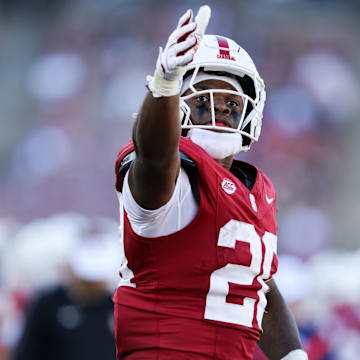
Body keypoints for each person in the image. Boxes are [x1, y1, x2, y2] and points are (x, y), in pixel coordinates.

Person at [113, 5, 308, 360]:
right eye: (202, 101)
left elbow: (256, 281)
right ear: (177, 107)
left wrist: (294, 355)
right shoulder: (169, 176)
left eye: (231, 105)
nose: (219, 113)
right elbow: (155, 158)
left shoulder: (256, 189)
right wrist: (165, 83)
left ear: (250, 113)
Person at [13, 237, 117, 360]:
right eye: (85, 281)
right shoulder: (48, 304)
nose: (91, 285)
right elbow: (27, 352)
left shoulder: (116, 306)